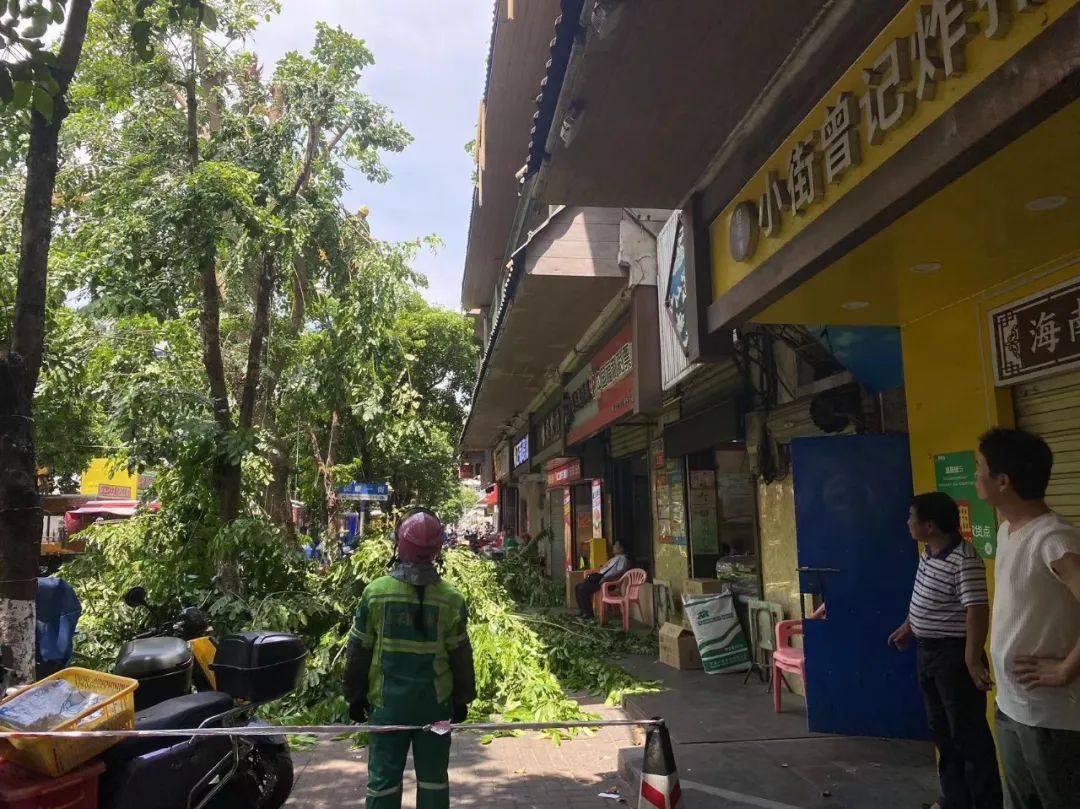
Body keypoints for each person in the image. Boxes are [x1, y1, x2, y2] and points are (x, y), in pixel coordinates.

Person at [975, 428, 1080, 809]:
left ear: (1003, 481)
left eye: (979, 469)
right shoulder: (1007, 531)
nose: (975, 478)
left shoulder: (1053, 538)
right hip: (1011, 705)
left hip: (1050, 716)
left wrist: (1066, 669)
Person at [344, 508, 476, 809]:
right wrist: (462, 699)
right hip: (437, 708)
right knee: (434, 779)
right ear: (437, 551)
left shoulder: (376, 594)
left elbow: (358, 651)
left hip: (387, 706)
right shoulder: (451, 599)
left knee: (383, 781)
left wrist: (354, 696)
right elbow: (461, 656)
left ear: (399, 545)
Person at [888, 492, 1001, 809]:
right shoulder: (928, 552)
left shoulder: (964, 560)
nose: (908, 523)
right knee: (942, 733)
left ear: (930, 525)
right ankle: (954, 800)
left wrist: (971, 657)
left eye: (912, 517)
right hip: (929, 653)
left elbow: (976, 609)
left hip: (954, 658)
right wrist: (910, 626)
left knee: (968, 736)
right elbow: (924, 595)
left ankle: (982, 803)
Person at [575, 539, 631, 619]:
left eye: (616, 545)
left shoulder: (623, 559)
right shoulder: (615, 558)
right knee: (578, 586)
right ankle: (583, 612)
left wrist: (606, 578)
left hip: (609, 582)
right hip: (601, 578)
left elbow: (620, 572)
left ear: (621, 549)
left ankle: (588, 614)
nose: (613, 547)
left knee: (582, 589)